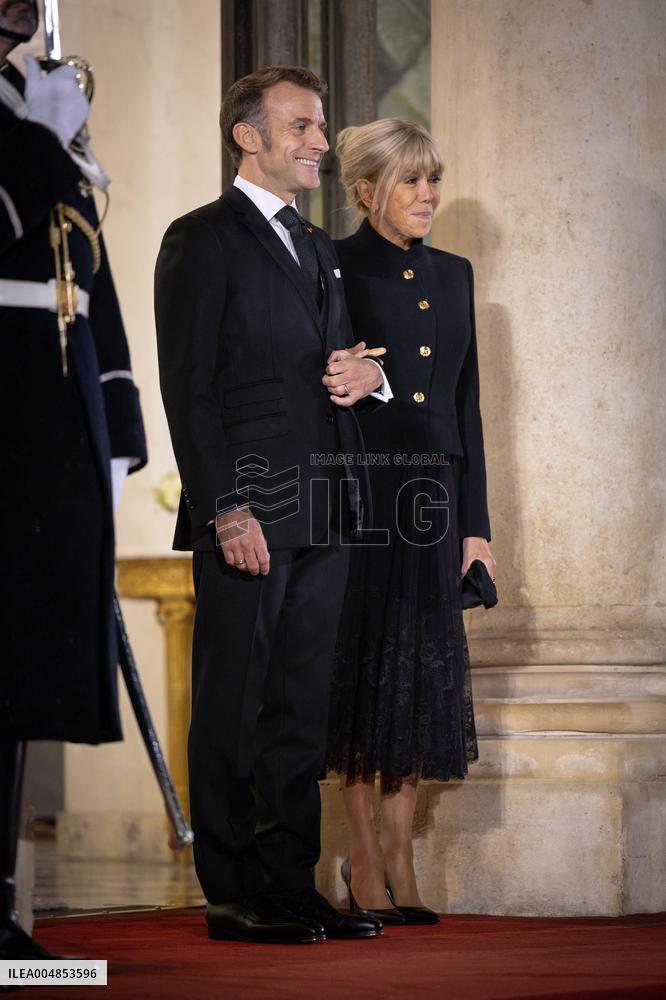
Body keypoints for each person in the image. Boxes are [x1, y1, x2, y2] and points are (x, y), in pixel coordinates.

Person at [155, 66, 391, 945]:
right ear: (247, 136)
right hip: (249, 512)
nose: (320, 143)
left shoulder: (321, 245)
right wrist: (225, 510)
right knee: (234, 700)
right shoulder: (199, 240)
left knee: (300, 705)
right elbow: (190, 391)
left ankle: (289, 880)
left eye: (321, 127)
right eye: (301, 127)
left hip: (328, 505)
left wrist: (369, 375)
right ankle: (230, 890)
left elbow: (341, 367)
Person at [0, 0, 147, 959]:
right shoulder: (29, 132)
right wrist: (34, 146)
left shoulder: (32, 114)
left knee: (16, 682)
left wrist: (119, 427)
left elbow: (85, 285)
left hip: (46, 430)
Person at [326, 118, 495, 925]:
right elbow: (335, 383)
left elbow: (466, 405)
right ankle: (361, 862)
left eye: (433, 179)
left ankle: (402, 855)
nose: (428, 195)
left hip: (437, 503)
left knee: (421, 680)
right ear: (366, 191)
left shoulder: (456, 274)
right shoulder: (335, 265)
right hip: (369, 493)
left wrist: (477, 523)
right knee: (364, 678)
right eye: (409, 181)